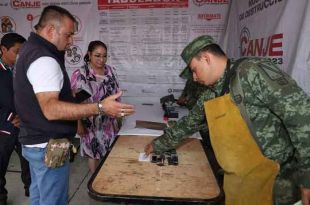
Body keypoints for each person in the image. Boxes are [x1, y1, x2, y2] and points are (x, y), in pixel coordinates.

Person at [145, 35, 310, 205]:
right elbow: (188, 124)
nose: (194, 78)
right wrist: (158, 144)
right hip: (241, 184)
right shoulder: (211, 94)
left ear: (206, 58)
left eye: (194, 70)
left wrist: (308, 178)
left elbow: (302, 118)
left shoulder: (251, 72)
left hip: (277, 185)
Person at [13, 5, 134, 205]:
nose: (71, 42)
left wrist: (69, 95)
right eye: (68, 35)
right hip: (49, 145)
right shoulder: (44, 59)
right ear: (51, 30)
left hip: (34, 141)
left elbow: (37, 97)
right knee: (53, 200)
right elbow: (51, 109)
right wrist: (100, 107)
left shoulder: (28, 50)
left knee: (39, 196)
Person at [70, 41, 121, 173]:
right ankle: (94, 178)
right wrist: (78, 124)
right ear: (89, 54)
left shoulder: (111, 71)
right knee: (92, 152)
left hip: (109, 121)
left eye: (104, 56)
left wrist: (119, 114)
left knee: (110, 149)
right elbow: (74, 102)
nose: (101, 59)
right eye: (97, 55)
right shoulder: (81, 74)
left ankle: (107, 176)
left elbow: (116, 93)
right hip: (89, 122)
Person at [0, 33, 31, 205]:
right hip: (3, 129)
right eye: (16, 51)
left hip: (24, 126)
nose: (20, 56)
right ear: (3, 49)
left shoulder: (23, 69)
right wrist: (11, 117)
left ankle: (33, 191)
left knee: (29, 162)